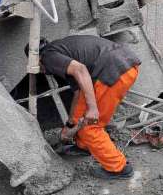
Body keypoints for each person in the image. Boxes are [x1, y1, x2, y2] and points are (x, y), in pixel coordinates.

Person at [39, 35, 141, 179]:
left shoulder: (47, 56)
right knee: (80, 116)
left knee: (90, 127)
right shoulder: (62, 51)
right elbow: (78, 93)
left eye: (40, 69)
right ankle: (84, 146)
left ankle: (119, 168)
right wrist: (70, 124)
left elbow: (81, 70)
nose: (42, 72)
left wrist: (92, 108)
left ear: (36, 59)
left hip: (112, 70)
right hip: (124, 65)